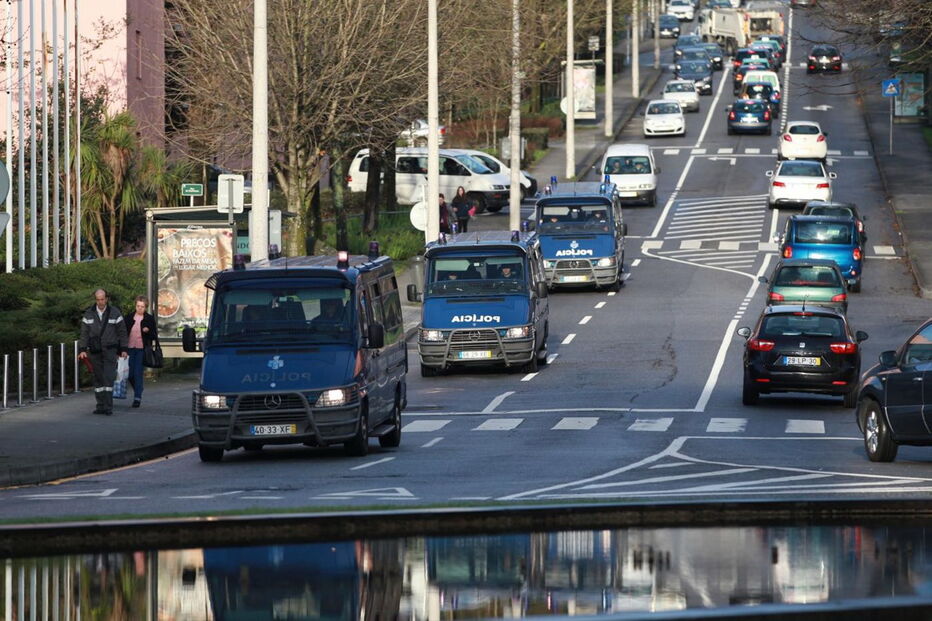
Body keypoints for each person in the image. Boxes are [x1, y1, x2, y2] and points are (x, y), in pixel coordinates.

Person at [78, 289, 128, 416]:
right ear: (95, 299)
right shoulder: (89, 314)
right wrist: (82, 349)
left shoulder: (115, 313)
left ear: (106, 299)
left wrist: (124, 349)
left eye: (102, 299)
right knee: (98, 378)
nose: (100, 302)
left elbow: (122, 332)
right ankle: (100, 405)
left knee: (108, 377)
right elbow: (84, 333)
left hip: (110, 350)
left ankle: (108, 406)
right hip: (95, 351)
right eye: (98, 299)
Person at [125, 295, 158, 408]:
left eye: (142, 307)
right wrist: (121, 349)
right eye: (138, 306)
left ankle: (137, 397)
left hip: (141, 349)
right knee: (129, 374)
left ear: (146, 307)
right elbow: (123, 333)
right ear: (135, 306)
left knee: (137, 372)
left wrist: (147, 331)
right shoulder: (129, 317)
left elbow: (154, 335)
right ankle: (139, 388)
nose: (140, 308)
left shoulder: (149, 319)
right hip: (129, 348)